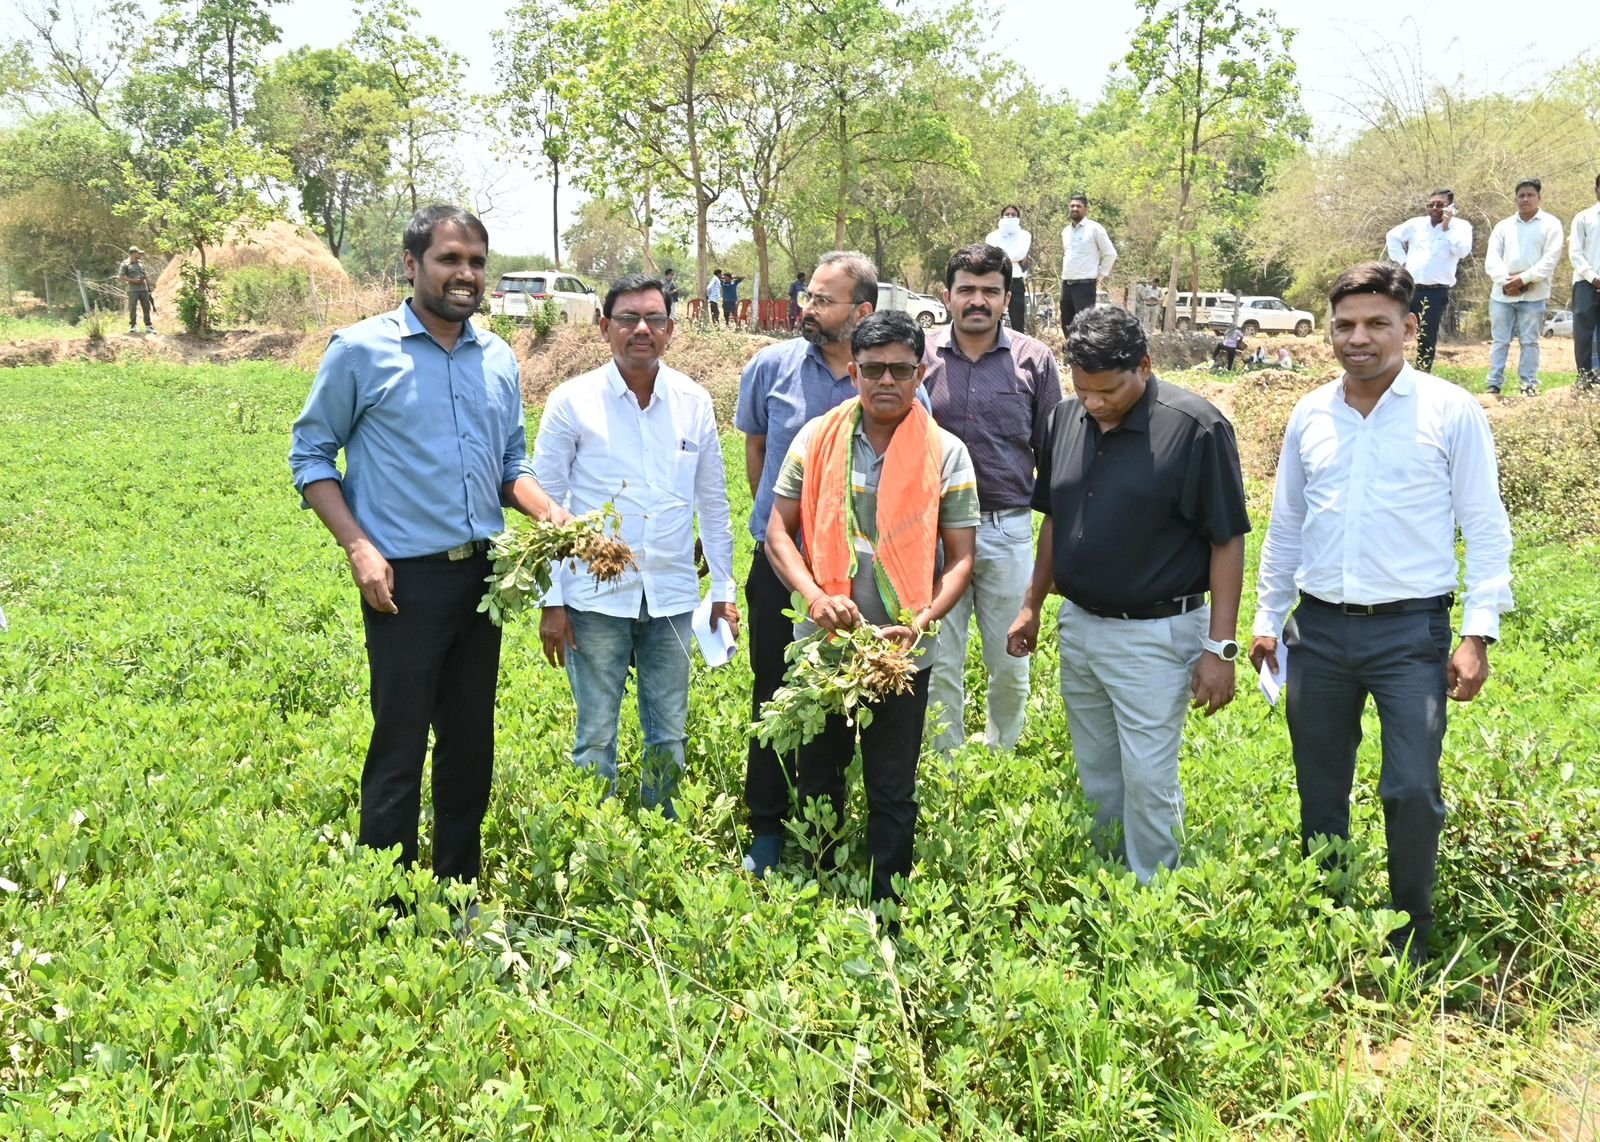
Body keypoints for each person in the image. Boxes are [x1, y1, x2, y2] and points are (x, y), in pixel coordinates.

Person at [289, 204, 567, 897]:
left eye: (476, 262)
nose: (465, 275)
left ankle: (456, 887)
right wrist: (358, 546)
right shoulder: (360, 350)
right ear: (412, 266)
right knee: (401, 740)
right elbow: (312, 455)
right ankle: (386, 898)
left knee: (471, 741)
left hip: (482, 577)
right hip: (402, 582)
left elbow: (511, 465)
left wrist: (552, 515)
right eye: (449, 260)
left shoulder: (498, 357)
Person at [1249, 261, 1513, 965]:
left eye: (1375, 324)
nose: (1357, 338)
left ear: (1409, 328)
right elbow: (1286, 525)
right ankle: (1329, 916)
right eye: (1345, 325)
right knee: (1321, 783)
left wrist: (1477, 633)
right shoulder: (1311, 414)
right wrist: (1268, 616)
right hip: (1320, 629)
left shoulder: (1448, 410)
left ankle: (1411, 932)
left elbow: (1485, 527)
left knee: (1412, 788)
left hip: (1410, 633)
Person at [1007, 306, 1249, 884]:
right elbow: (1054, 522)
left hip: (1155, 633)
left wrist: (1222, 647)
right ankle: (1109, 871)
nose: (1093, 402)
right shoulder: (1067, 418)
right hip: (1082, 626)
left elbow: (1227, 542)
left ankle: (1152, 888)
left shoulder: (1195, 427)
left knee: (1147, 773)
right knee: (1096, 765)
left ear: (1144, 365)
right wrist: (1032, 604)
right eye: (1082, 389)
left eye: (1108, 391)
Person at [764, 310, 978, 905]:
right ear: (853, 371)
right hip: (826, 646)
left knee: (892, 783)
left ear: (921, 374)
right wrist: (814, 597)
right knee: (819, 772)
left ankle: (888, 900)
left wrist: (921, 621)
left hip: (901, 652)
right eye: (875, 369)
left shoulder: (948, 453)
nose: (887, 381)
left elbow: (962, 557)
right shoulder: (816, 438)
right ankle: (818, 888)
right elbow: (778, 532)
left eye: (901, 370)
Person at [533, 273, 738, 817]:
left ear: (670, 330)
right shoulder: (572, 401)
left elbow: (714, 503)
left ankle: (662, 835)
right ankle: (599, 838)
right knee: (596, 734)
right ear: (605, 328)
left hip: (671, 592)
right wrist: (551, 601)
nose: (641, 329)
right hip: (594, 596)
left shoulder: (693, 401)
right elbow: (546, 505)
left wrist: (723, 588)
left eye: (653, 319)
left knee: (668, 733)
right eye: (627, 319)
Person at [736, 251, 882, 877]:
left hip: (864, 576)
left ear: (863, 311)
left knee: (852, 699)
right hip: (782, 569)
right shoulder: (770, 367)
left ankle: (827, 827)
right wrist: (784, 540)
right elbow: (758, 456)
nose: (808, 309)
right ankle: (767, 826)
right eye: (808, 297)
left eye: (824, 301)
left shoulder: (888, 374)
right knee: (773, 694)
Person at [923, 242, 1061, 755]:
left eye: (989, 291)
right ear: (947, 296)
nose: (977, 301)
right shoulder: (921, 356)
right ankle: (946, 761)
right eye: (967, 290)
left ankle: (1002, 753)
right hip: (935, 531)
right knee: (940, 654)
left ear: (1006, 298)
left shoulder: (1035, 360)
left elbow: (1054, 453)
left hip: (1008, 528)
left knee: (1010, 658)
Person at [1484, 179, 1564, 395]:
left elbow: (1550, 260)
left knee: (1529, 341)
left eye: (1530, 195)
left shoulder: (1551, 224)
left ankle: (1528, 384)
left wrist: (1524, 280)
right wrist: (1507, 282)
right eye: (1521, 195)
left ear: (1539, 198)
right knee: (1500, 341)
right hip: (1502, 295)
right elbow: (1492, 258)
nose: (1525, 199)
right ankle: (1493, 384)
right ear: (1516, 198)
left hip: (1534, 295)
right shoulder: (1503, 226)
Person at [1385, 189, 1473, 373]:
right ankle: (1389, 369)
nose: (1434, 208)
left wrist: (1447, 228)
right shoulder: (1416, 224)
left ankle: (1422, 374)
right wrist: (1403, 261)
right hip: (1408, 288)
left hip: (1435, 291)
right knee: (1393, 327)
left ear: (1450, 207)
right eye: (1431, 204)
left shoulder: (1461, 227)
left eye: (1440, 204)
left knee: (1426, 335)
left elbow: (1463, 251)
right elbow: (1392, 236)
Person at [1058, 194, 1117, 336]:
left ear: (1086, 209)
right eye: (1072, 205)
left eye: (1078, 206)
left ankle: (1085, 357)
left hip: (1085, 285)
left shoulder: (1095, 228)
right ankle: (1071, 355)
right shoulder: (1066, 231)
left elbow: (1110, 253)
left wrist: (1101, 276)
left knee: (1084, 325)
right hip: (1067, 284)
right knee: (1067, 323)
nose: (1074, 208)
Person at [1569, 172, 1600, 391]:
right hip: (1586, 282)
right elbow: (1575, 252)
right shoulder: (1584, 218)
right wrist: (1594, 278)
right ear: (1596, 189)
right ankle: (1585, 378)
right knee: (1584, 333)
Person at [986, 204, 1034, 332]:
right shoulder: (991, 237)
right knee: (994, 319)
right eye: (1007, 214)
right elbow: (992, 256)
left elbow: (1020, 253)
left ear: (1018, 217)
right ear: (1001, 217)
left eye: (1013, 215)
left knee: (1017, 322)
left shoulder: (1025, 235)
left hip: (1016, 282)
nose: (1010, 217)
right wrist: (1013, 258)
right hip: (997, 281)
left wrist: (1002, 254)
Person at [117, 246, 155, 334]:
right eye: (138, 253)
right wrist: (134, 281)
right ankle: (133, 326)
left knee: (146, 307)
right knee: (132, 307)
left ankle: (148, 326)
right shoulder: (125, 264)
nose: (140, 255)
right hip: (132, 289)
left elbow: (145, 276)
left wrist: (149, 288)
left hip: (143, 289)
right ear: (133, 254)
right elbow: (121, 276)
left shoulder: (141, 263)